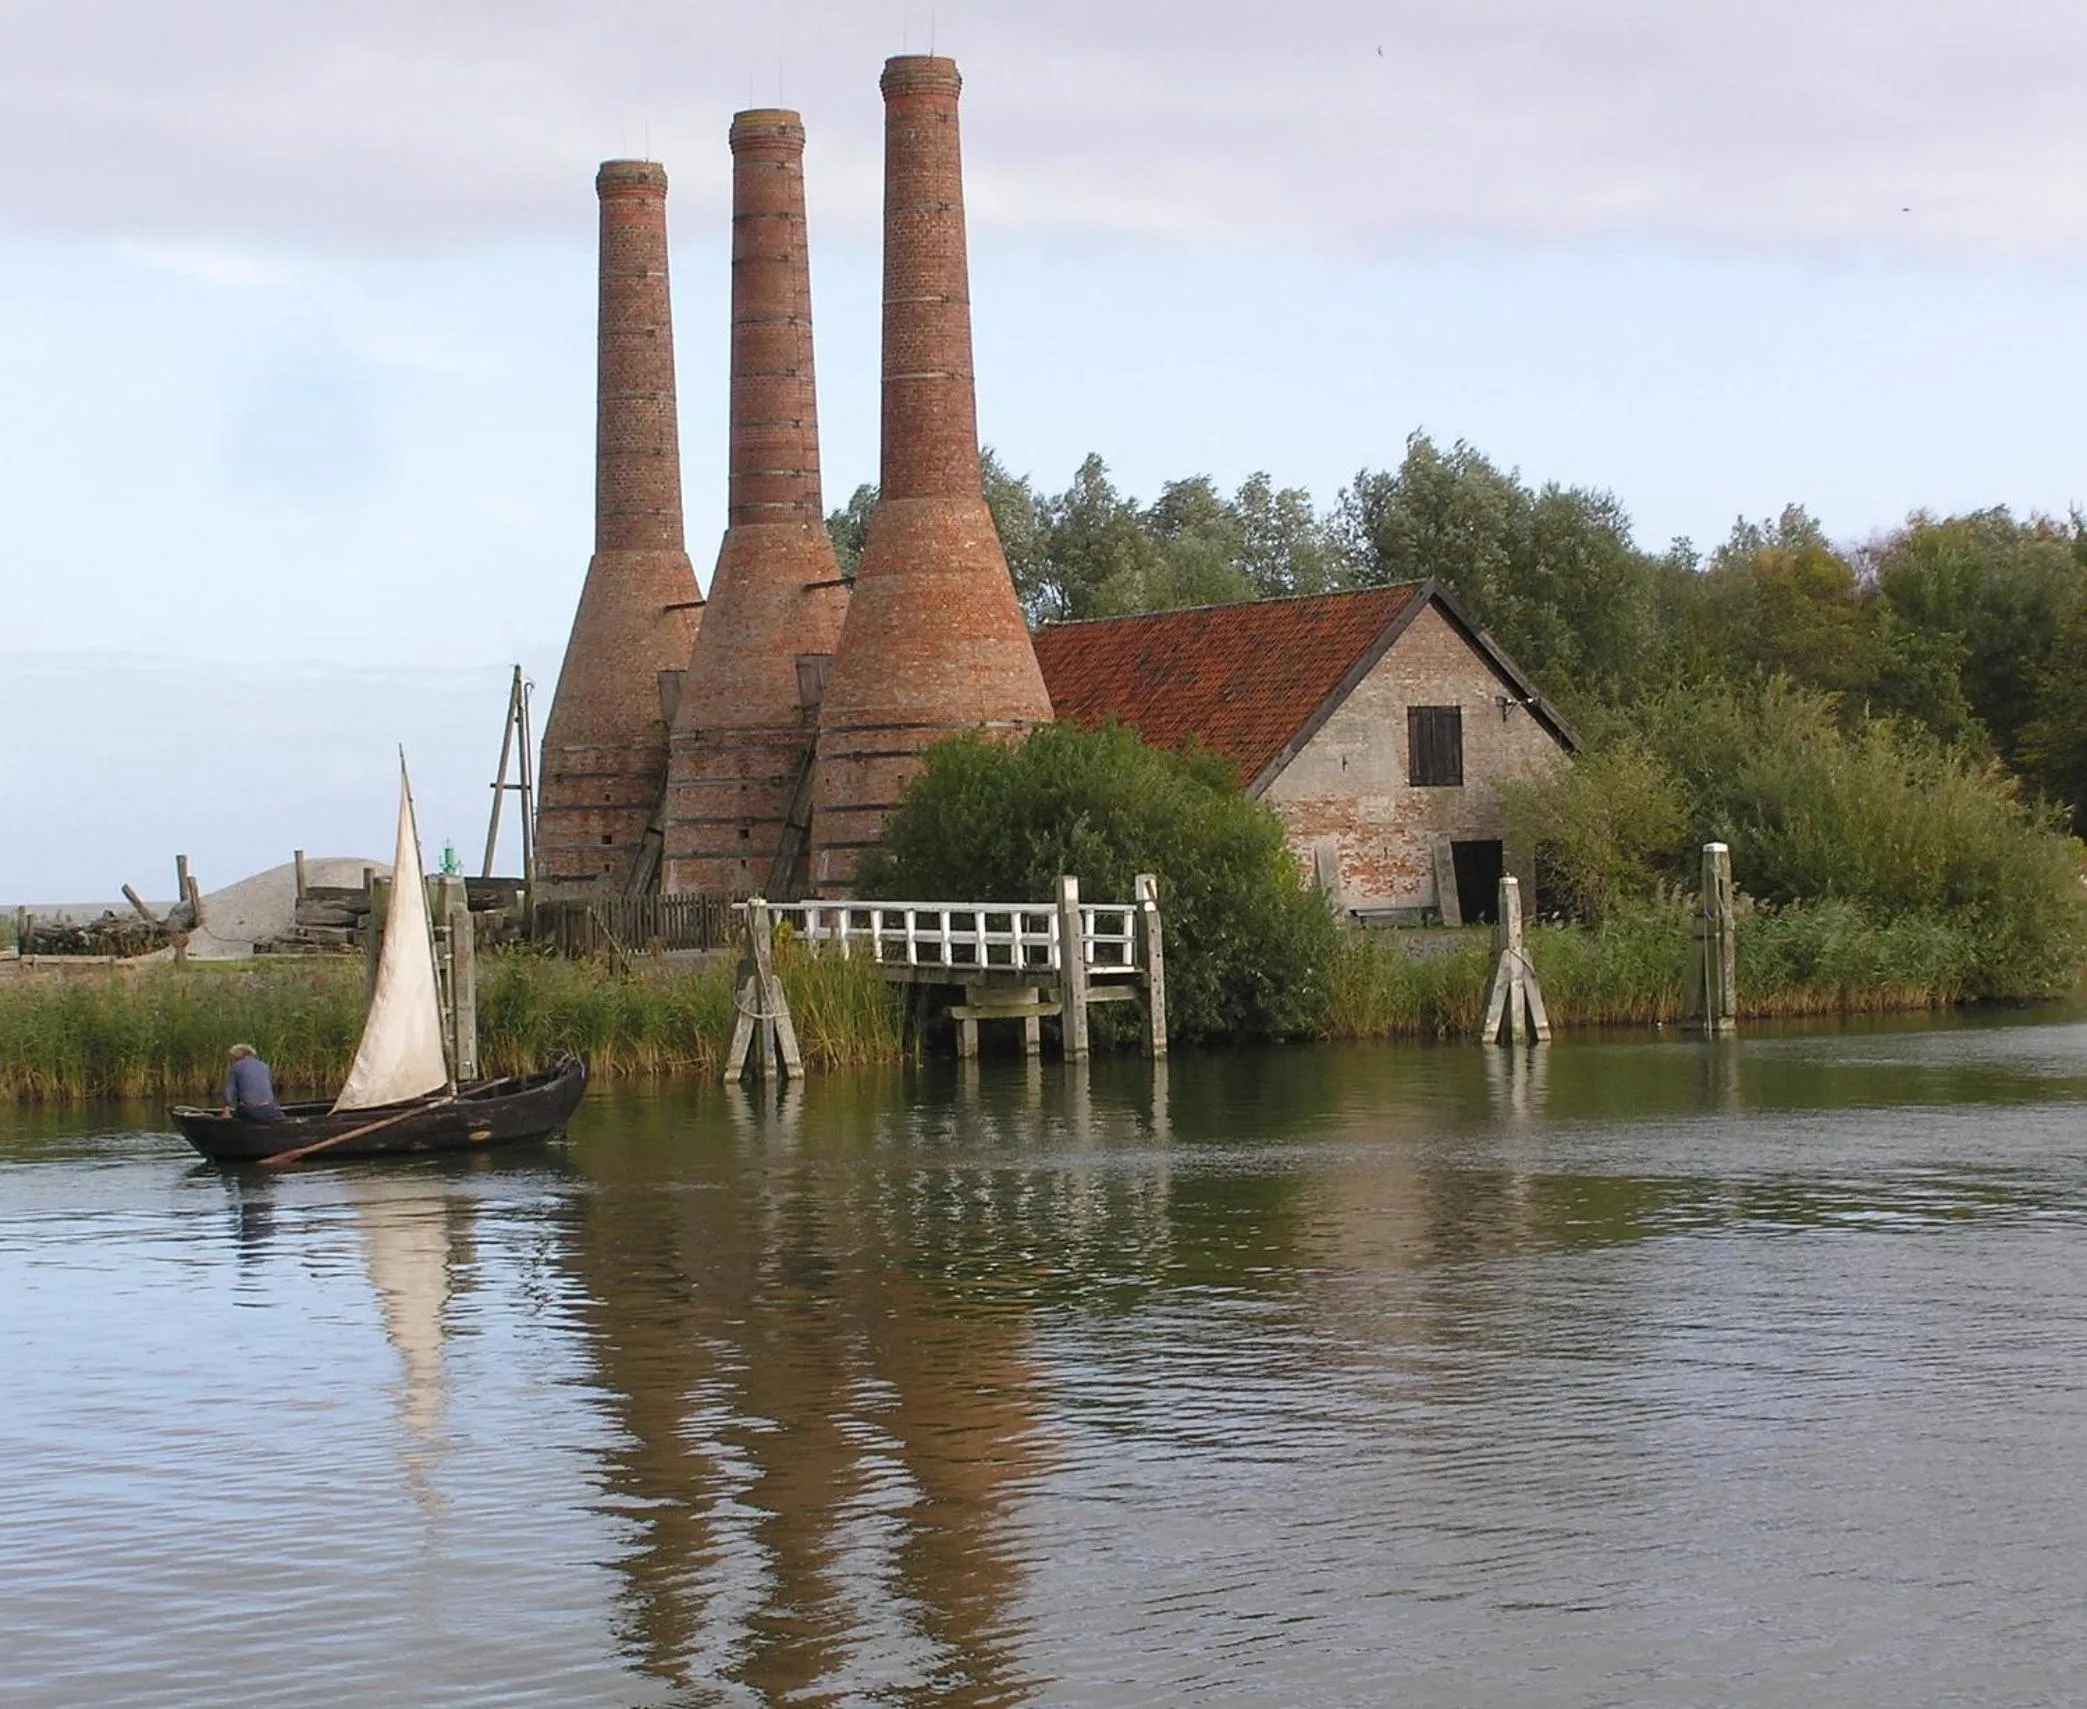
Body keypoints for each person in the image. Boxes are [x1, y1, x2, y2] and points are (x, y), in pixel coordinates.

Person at [222, 1043, 286, 1122]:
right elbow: (269, 1088)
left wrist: (226, 1111)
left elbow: (229, 1091)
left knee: (238, 1112)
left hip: (249, 1111)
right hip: (270, 1109)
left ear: (237, 1056)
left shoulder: (236, 1067)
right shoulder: (265, 1066)